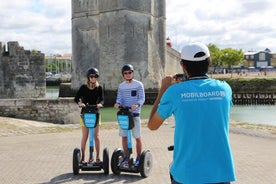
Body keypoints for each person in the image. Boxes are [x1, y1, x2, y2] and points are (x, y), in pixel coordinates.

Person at [148, 42, 236, 184]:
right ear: (209, 62)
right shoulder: (225, 89)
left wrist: (163, 89)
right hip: (220, 173)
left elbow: (152, 125)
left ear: (182, 65)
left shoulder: (174, 92)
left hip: (186, 174)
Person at [114, 64, 145, 166]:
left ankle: (139, 158)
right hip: (124, 114)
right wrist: (117, 103)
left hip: (134, 114)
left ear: (133, 73)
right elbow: (119, 98)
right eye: (125, 73)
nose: (128, 74)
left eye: (129, 72)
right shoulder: (121, 86)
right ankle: (127, 157)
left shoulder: (138, 84)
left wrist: (137, 104)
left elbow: (142, 98)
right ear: (123, 74)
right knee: (124, 137)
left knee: (137, 137)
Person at [74, 67, 104, 164]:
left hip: (95, 113)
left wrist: (100, 104)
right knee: (85, 136)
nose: (93, 78)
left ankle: (98, 157)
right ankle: (83, 158)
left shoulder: (99, 88)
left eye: (95, 76)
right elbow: (76, 98)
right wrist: (80, 103)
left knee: (96, 136)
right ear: (88, 77)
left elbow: (103, 99)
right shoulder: (83, 87)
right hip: (85, 113)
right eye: (91, 76)